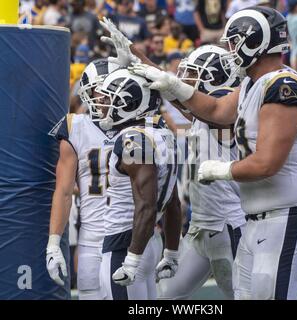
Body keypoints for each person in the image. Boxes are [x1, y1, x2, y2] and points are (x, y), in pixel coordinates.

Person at [129, 6, 297, 300]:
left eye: (233, 42)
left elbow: (267, 163)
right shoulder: (251, 83)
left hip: (286, 216)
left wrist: (221, 170)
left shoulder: (283, 86)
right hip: (256, 219)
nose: (230, 51)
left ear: (253, 42)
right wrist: (172, 85)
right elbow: (217, 110)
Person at [157, 45, 246, 300]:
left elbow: (197, 104)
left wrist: (169, 84)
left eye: (192, 73)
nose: (185, 78)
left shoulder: (223, 113)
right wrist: (136, 59)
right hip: (201, 226)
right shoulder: (201, 111)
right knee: (167, 295)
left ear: (214, 78)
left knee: (238, 295)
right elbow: (170, 90)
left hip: (228, 225)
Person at [96, 69, 182, 300]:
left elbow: (147, 205)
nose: (102, 104)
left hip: (125, 244)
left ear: (128, 104)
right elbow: (172, 202)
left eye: (108, 99)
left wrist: (131, 260)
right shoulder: (162, 133)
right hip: (149, 241)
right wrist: (171, 251)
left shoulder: (133, 139)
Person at [46, 58, 122, 300]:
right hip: (92, 235)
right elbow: (64, 191)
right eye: (97, 91)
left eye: (109, 91)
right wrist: (53, 242)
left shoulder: (142, 124)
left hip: (131, 233)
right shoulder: (75, 126)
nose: (102, 98)